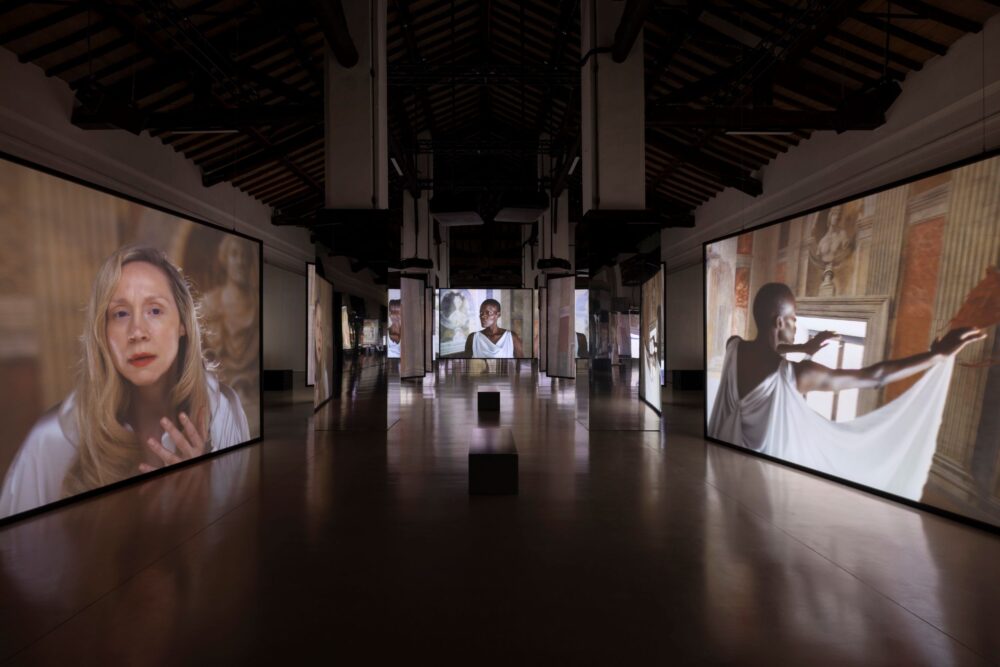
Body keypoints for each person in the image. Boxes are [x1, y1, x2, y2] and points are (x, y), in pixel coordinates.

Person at [0, 246, 249, 518]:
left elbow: (240, 538)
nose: (137, 332)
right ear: (102, 332)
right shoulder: (52, 438)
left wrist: (207, 494)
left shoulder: (223, 411)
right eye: (120, 314)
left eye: (155, 310)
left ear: (183, 323)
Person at [707, 282, 985, 499]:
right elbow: (874, 376)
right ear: (779, 323)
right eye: (793, 317)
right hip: (762, 481)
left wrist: (802, 348)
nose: (796, 323)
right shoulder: (797, 374)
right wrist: (934, 356)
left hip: (721, 466)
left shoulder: (733, 347)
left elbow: (766, 347)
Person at [457, 298, 524, 358]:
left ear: (498, 315)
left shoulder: (511, 337)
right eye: (481, 313)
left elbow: (521, 364)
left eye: (488, 312)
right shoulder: (473, 338)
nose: (483, 316)